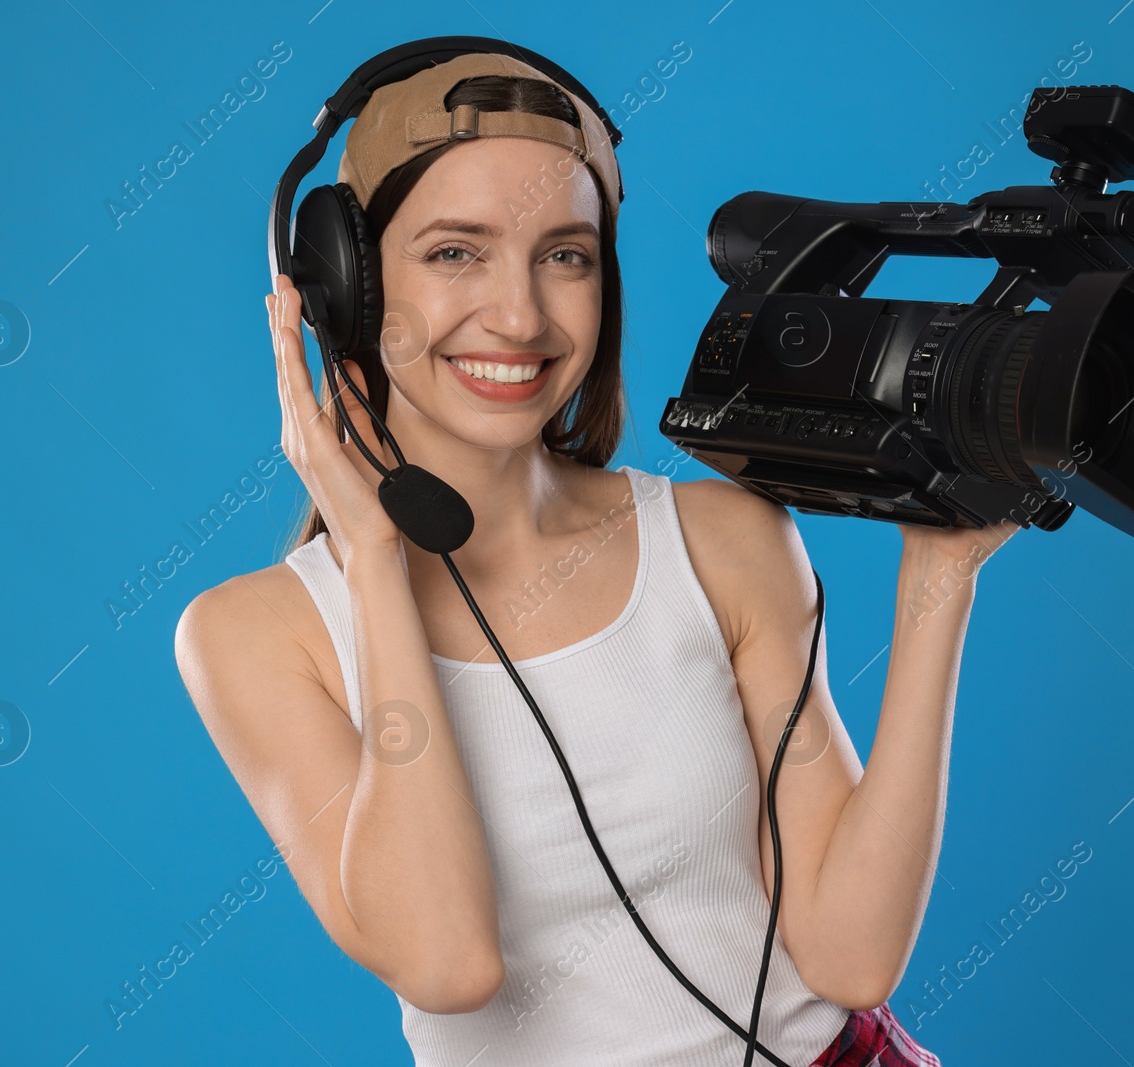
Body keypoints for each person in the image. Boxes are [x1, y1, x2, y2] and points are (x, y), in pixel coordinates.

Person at [175, 50, 1015, 1067]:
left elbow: (850, 955)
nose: (521, 316)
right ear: (342, 287)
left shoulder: (724, 541)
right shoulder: (254, 635)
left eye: (564, 255)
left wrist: (938, 578)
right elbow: (447, 962)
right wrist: (373, 565)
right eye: (454, 253)